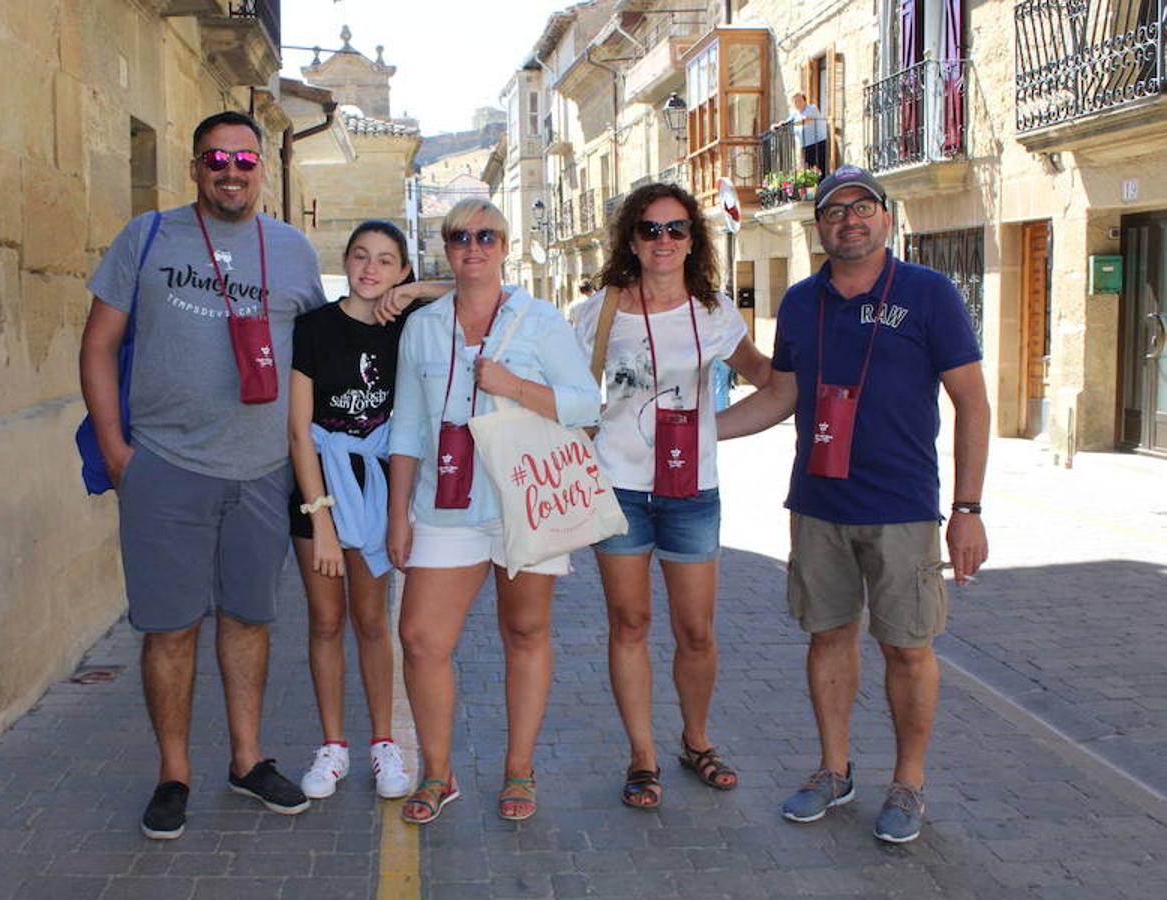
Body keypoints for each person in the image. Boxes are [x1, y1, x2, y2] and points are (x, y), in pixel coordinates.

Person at [716, 165, 989, 844]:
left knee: (907, 647)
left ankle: (909, 783)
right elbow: (782, 395)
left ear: (886, 218)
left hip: (903, 506)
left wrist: (968, 509)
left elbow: (973, 403)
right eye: (835, 211)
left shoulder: (929, 294)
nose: (850, 220)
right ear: (820, 227)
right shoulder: (804, 303)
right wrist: (696, 434)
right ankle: (833, 772)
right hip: (818, 502)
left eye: (863, 207)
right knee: (828, 636)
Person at [80, 110, 325, 840]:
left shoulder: (290, 250)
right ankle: (174, 774)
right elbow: (97, 346)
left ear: (261, 171)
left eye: (246, 159)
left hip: (260, 472)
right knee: (171, 628)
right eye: (217, 157)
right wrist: (118, 451)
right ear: (194, 167)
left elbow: (321, 351)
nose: (232, 170)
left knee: (250, 620)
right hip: (166, 467)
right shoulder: (147, 237)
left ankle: (247, 762)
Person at [387, 198, 599, 825]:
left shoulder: (540, 321)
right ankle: (436, 771)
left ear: (505, 246)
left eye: (486, 235)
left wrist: (512, 385)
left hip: (525, 500)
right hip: (444, 505)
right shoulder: (424, 327)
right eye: (459, 237)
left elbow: (585, 404)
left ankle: (519, 770)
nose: (472, 247)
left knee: (525, 633)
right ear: (446, 249)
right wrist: (398, 513)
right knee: (421, 639)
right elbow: (407, 427)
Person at [572, 183, 770, 810]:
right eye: (650, 230)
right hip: (619, 490)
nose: (663, 241)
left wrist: (720, 428)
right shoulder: (600, 311)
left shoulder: (713, 312)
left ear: (693, 239)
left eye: (676, 229)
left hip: (692, 490)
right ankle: (642, 755)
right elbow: (572, 393)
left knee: (697, 632)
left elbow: (768, 378)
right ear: (631, 239)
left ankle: (696, 740)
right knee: (629, 625)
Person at [289, 221, 420, 802]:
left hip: (375, 493)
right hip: (319, 487)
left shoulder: (409, 325)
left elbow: (486, 291)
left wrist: (414, 294)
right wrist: (320, 523)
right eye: (361, 256)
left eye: (387, 261)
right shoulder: (313, 327)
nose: (371, 269)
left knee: (372, 622)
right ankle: (334, 746)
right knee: (325, 622)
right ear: (345, 260)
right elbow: (298, 431)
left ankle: (383, 743)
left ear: (401, 271)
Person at [792, 92, 828, 175]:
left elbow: (807, 120)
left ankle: (821, 187)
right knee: (810, 171)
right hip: (805, 147)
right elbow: (785, 123)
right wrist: (775, 126)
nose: (797, 103)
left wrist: (792, 123)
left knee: (820, 169)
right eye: (795, 102)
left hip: (818, 143)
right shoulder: (795, 114)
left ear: (805, 101)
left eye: (799, 101)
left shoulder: (812, 108)